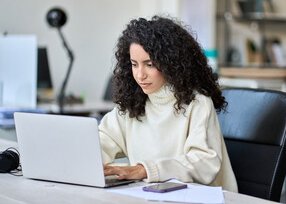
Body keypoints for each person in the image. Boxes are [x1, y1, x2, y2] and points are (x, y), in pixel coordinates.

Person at [98, 15, 238, 192]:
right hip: (151, 196)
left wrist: (144, 170)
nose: (140, 75)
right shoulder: (133, 102)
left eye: (149, 65)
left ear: (171, 64)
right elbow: (102, 141)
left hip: (199, 197)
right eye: (134, 64)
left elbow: (204, 163)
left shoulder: (197, 102)